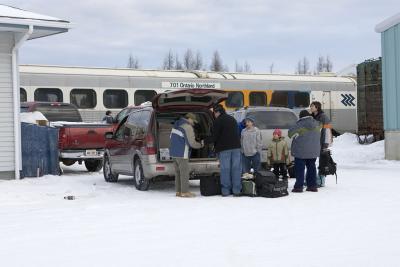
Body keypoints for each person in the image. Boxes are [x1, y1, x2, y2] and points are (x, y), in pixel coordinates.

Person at [206, 104, 242, 196]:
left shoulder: (218, 121)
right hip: (236, 148)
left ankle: (226, 190)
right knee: (236, 169)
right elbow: (237, 133)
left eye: (214, 113)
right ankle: (237, 190)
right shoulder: (232, 119)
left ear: (217, 112)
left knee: (225, 169)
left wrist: (204, 141)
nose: (214, 115)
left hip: (224, 148)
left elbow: (214, 136)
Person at [170, 113, 204, 198]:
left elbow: (171, 138)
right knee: (184, 173)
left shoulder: (175, 125)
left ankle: (178, 191)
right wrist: (201, 145)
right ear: (189, 119)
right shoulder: (187, 127)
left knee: (178, 173)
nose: (193, 123)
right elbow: (191, 143)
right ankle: (185, 192)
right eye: (193, 121)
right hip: (182, 153)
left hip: (174, 153)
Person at [288, 110, 321, 193]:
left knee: (300, 169)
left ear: (301, 116)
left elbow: (290, 134)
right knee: (312, 168)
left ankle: (299, 187)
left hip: (300, 151)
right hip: (313, 150)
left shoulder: (299, 124)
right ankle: (312, 186)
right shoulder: (317, 124)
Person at [310, 101, 333, 187]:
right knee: (312, 161)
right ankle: (314, 179)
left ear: (317, 107)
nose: (311, 108)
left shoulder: (323, 117)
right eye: (310, 106)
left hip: (322, 142)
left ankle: (321, 181)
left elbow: (327, 131)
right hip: (314, 142)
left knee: (322, 162)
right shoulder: (312, 117)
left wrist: (326, 143)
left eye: (312, 106)